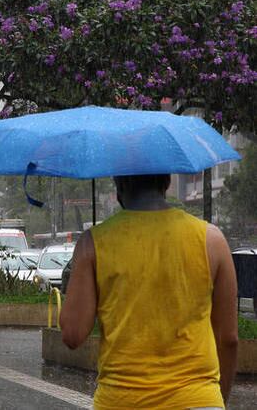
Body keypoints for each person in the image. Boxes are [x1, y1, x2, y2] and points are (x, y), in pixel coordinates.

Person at [60, 174, 238, 409]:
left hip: (121, 401)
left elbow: (73, 335)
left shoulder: (93, 243)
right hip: (198, 399)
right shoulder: (211, 240)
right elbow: (229, 339)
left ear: (119, 185)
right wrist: (216, 399)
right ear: (165, 183)